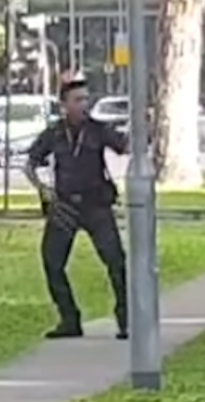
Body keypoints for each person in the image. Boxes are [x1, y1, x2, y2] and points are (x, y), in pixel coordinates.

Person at [23, 79, 130, 340]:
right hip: (65, 206)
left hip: (96, 205)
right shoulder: (54, 133)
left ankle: (125, 318)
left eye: (85, 99)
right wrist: (43, 189)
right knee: (52, 261)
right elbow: (29, 164)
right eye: (77, 100)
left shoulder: (97, 130)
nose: (83, 104)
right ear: (64, 105)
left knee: (115, 261)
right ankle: (69, 319)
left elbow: (126, 146)